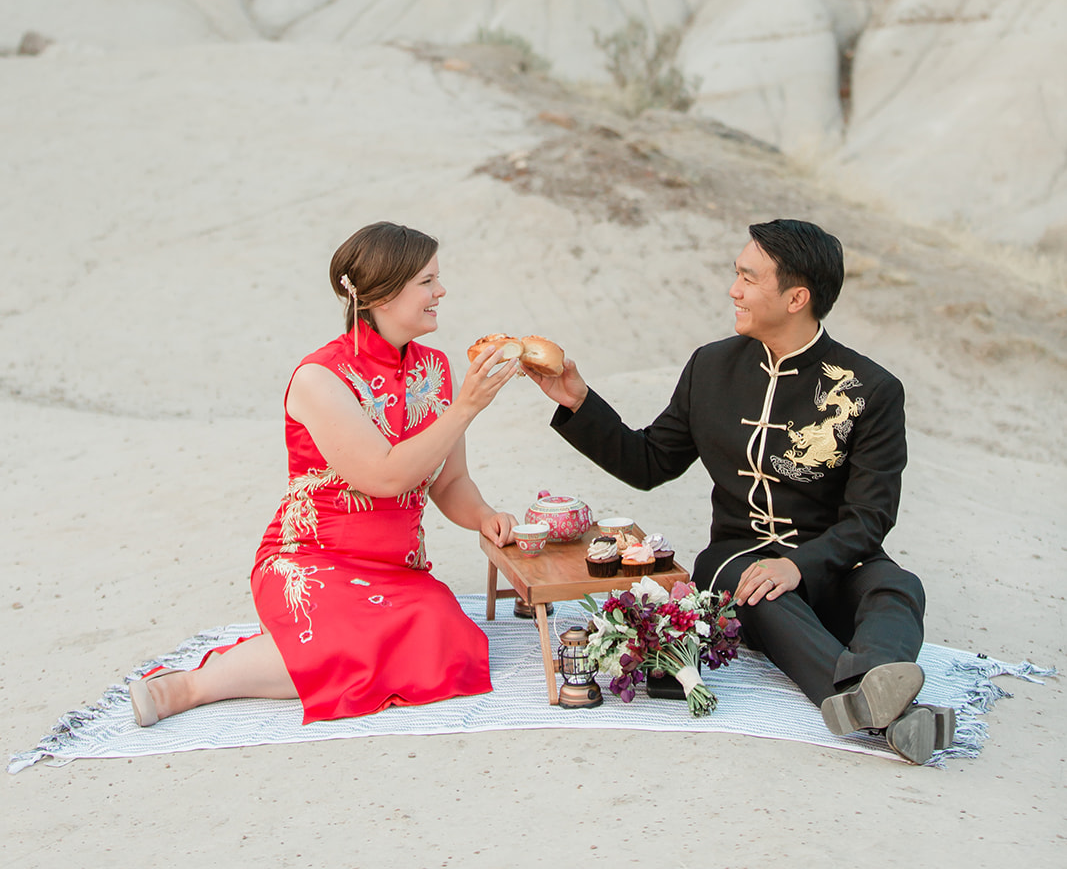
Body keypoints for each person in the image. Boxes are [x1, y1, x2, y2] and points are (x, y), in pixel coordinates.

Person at [529, 218, 955, 766]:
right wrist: (577, 400)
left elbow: (870, 517)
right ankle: (875, 700)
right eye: (737, 274)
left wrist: (801, 564)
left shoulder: (870, 389)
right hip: (737, 559)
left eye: (749, 279)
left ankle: (871, 691)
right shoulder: (711, 366)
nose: (734, 289)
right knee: (760, 589)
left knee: (898, 587)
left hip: (834, 558)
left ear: (797, 297)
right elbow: (649, 462)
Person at [129, 221, 518, 726]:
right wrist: (465, 409)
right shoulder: (320, 377)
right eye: (427, 281)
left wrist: (485, 516)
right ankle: (193, 685)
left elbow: (449, 482)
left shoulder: (438, 368)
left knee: (451, 639)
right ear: (382, 292)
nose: (440, 291)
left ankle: (288, 647)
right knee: (345, 639)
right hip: (312, 558)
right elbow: (383, 476)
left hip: (396, 569)